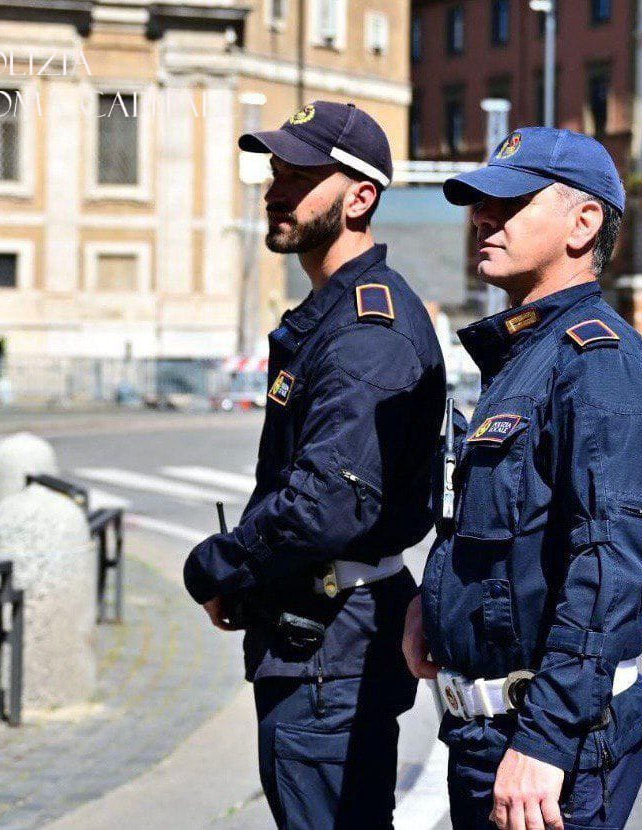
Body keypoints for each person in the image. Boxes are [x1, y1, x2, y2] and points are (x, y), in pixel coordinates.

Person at [183, 101, 445, 830]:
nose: (277, 189)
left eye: (302, 176)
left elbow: (327, 505)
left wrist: (218, 564)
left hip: (333, 640)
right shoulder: (337, 315)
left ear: (361, 197)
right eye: (276, 172)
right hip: (319, 631)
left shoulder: (365, 330)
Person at [402, 127, 642, 830]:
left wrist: (545, 741)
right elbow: (502, 528)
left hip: (549, 751)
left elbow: (610, 567)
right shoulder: (528, 355)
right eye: (480, 204)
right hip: (485, 737)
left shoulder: (597, 361)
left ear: (583, 223)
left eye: (512, 203)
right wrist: (435, 603)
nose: (484, 218)